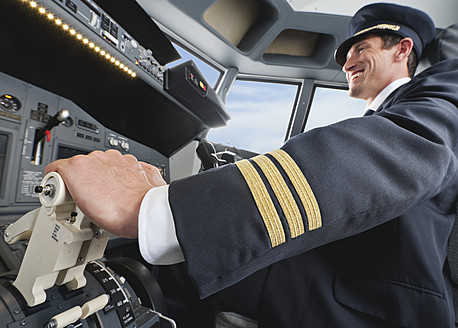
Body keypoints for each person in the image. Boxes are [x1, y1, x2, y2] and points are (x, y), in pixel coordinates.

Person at [45, 3, 458, 327]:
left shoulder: (440, 91)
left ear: (403, 49)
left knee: (176, 268)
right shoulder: (394, 113)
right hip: (360, 276)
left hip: (379, 303)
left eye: (360, 49)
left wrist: (153, 210)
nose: (346, 62)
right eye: (346, 54)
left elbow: (383, 156)